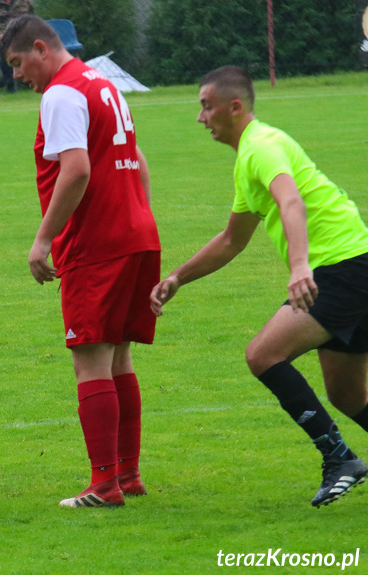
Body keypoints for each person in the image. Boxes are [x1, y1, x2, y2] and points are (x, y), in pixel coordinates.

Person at [150, 65, 368, 507]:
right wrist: (177, 277)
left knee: (263, 354)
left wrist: (299, 264)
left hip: (340, 268)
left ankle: (339, 459)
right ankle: (341, 458)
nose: (200, 117)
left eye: (206, 106)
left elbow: (290, 200)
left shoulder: (261, 148)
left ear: (235, 107)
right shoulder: (252, 153)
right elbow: (232, 239)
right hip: (353, 263)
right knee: (346, 394)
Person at [1, 15, 160, 508]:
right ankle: (127, 475)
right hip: (136, 234)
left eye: (17, 61)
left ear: (41, 48)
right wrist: (140, 217)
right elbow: (139, 158)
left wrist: (43, 239)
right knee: (118, 357)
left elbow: (76, 170)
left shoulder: (61, 93)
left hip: (98, 242)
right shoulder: (100, 82)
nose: (16, 74)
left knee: (90, 358)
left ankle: (104, 485)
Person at [0, 0, 34, 93]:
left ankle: (6, 78)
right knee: (6, 51)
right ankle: (10, 85)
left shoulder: (24, 2)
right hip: (0, 40)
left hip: (20, 39)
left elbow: (32, 21)